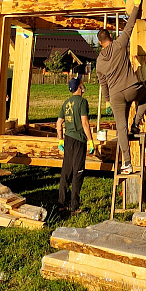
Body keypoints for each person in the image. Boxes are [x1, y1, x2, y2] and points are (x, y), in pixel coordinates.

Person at [96, 0, 146, 175]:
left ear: (100, 43)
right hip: (131, 88)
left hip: (115, 96)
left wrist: (107, 100)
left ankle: (127, 163)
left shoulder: (99, 62)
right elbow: (130, 26)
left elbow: (103, 83)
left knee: (121, 128)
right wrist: (136, 6)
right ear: (110, 37)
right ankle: (136, 123)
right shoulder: (119, 45)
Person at [56, 75, 94, 215]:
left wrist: (60, 139)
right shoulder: (82, 102)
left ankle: (61, 204)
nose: (83, 86)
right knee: (78, 172)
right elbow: (84, 122)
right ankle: (74, 207)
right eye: (81, 84)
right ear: (79, 87)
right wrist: (90, 140)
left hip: (68, 139)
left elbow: (59, 123)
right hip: (79, 140)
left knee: (66, 171)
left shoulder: (66, 103)